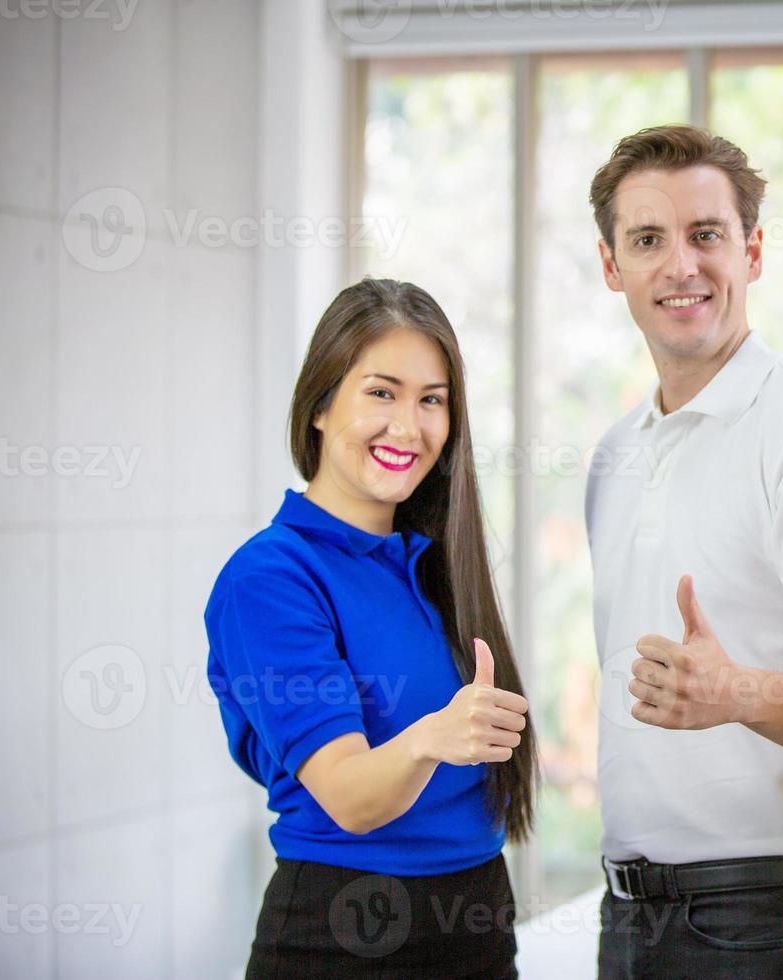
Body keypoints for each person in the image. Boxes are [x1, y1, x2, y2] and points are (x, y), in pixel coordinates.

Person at [583, 124, 783, 979]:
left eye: (707, 235)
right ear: (612, 266)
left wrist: (735, 693)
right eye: (648, 240)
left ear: (752, 252)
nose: (680, 265)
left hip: (767, 924)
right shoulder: (616, 455)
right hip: (627, 916)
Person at [204, 278, 538, 979]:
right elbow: (353, 798)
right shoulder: (270, 578)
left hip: (477, 917)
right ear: (322, 404)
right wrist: (434, 737)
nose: (408, 426)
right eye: (381, 393)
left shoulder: (434, 565)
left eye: (432, 400)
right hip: (348, 932)